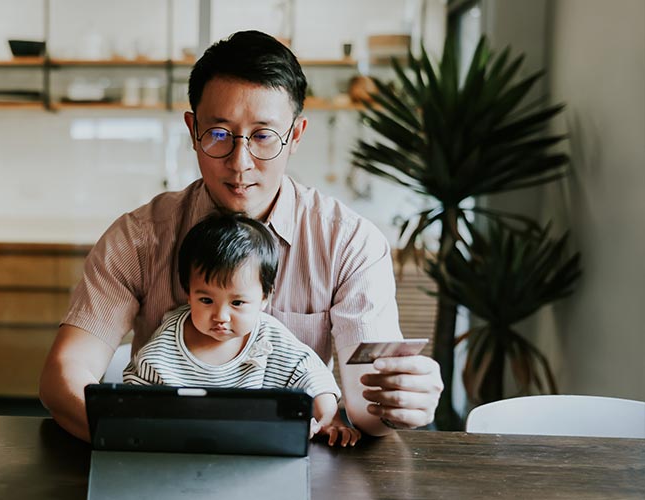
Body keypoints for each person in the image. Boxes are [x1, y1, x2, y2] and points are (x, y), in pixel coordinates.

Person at [39, 30, 443, 442]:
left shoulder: (349, 243)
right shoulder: (138, 238)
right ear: (193, 130)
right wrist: (142, 438)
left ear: (296, 135)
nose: (240, 163)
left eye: (264, 136)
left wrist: (399, 400)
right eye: (218, 134)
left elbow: (366, 406)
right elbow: (64, 374)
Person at [123, 212, 360, 446]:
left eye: (237, 303)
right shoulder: (165, 346)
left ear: (265, 297)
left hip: (259, 450)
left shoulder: (269, 337)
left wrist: (330, 417)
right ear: (188, 292)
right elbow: (132, 398)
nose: (221, 316)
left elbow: (311, 373)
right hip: (184, 450)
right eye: (206, 300)